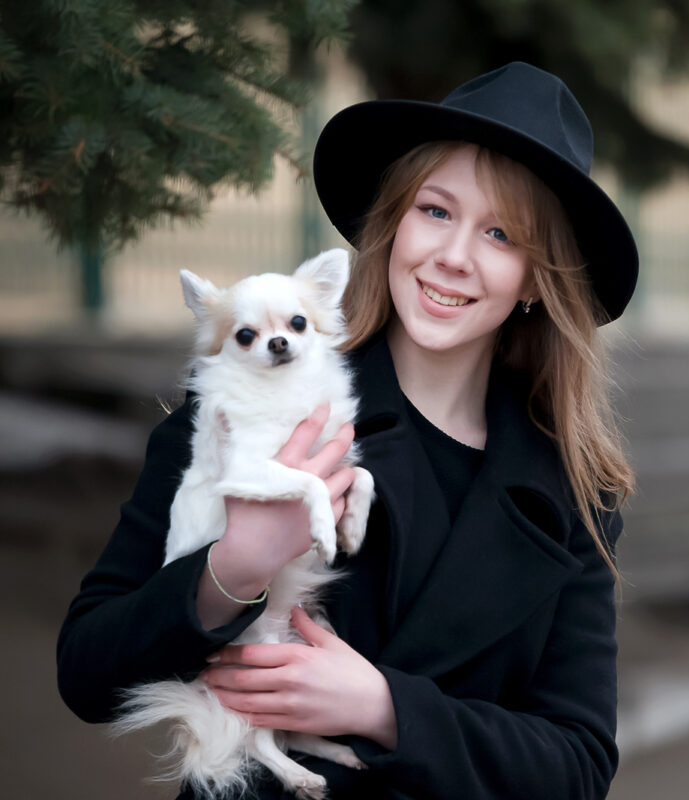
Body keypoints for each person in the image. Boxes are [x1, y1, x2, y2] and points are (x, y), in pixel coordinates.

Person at [57, 62, 637, 800]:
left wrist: (384, 709)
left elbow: (577, 767)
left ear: (534, 278)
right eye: (435, 210)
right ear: (392, 222)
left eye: (500, 233)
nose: (453, 255)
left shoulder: (575, 494)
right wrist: (230, 571)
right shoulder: (247, 399)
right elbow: (87, 675)